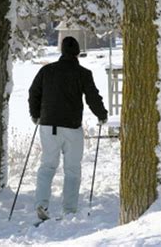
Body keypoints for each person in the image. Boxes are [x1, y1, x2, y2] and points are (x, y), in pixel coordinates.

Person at [28, 36, 108, 220]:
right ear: (78, 53)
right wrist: (101, 115)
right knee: (72, 169)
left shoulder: (46, 71)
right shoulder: (83, 73)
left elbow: (34, 92)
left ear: (61, 51)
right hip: (72, 127)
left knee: (47, 166)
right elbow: (92, 97)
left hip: (48, 125)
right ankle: (69, 209)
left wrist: (35, 114)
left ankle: (41, 204)